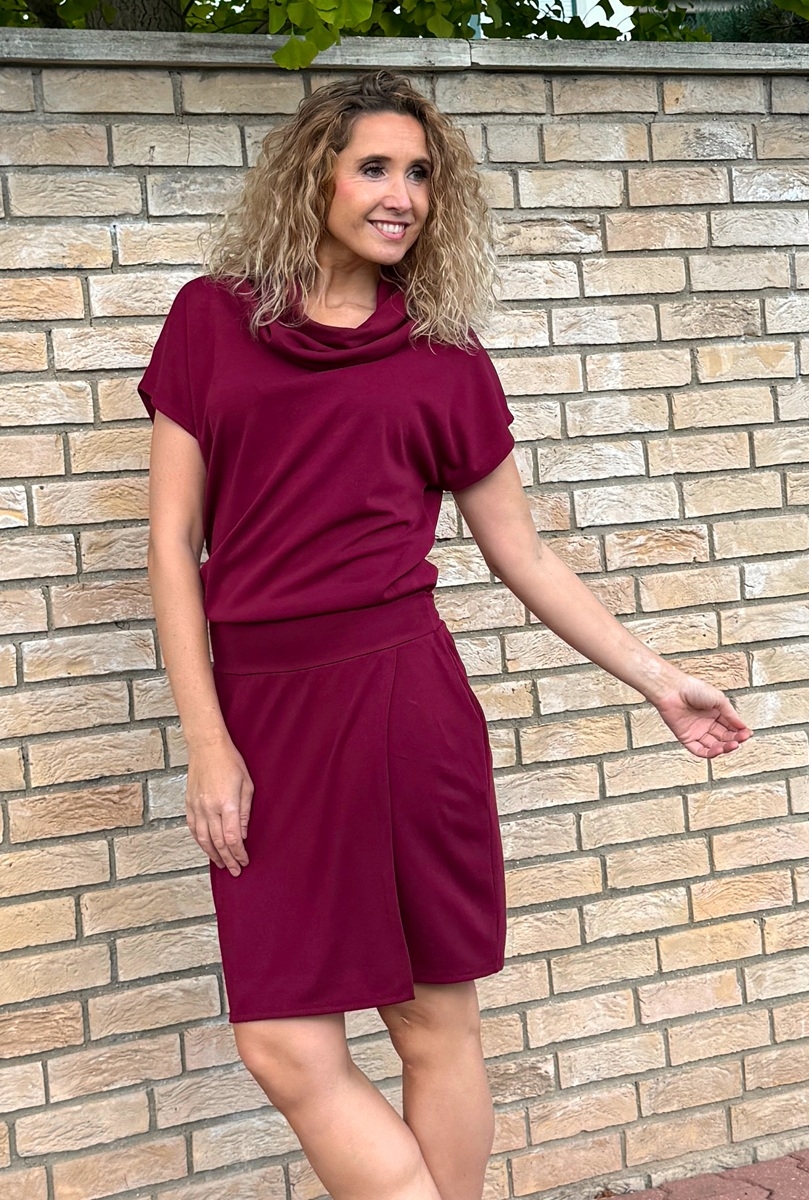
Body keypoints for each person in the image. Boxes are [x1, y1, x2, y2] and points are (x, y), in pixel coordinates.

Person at [141, 70, 752, 1200]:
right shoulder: (210, 320)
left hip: (401, 704)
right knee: (282, 1042)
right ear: (313, 176)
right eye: (374, 167)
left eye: (420, 173)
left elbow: (523, 554)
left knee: (432, 1020)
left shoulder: (441, 352)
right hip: (263, 711)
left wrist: (657, 678)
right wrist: (207, 742)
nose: (403, 195)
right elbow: (174, 545)